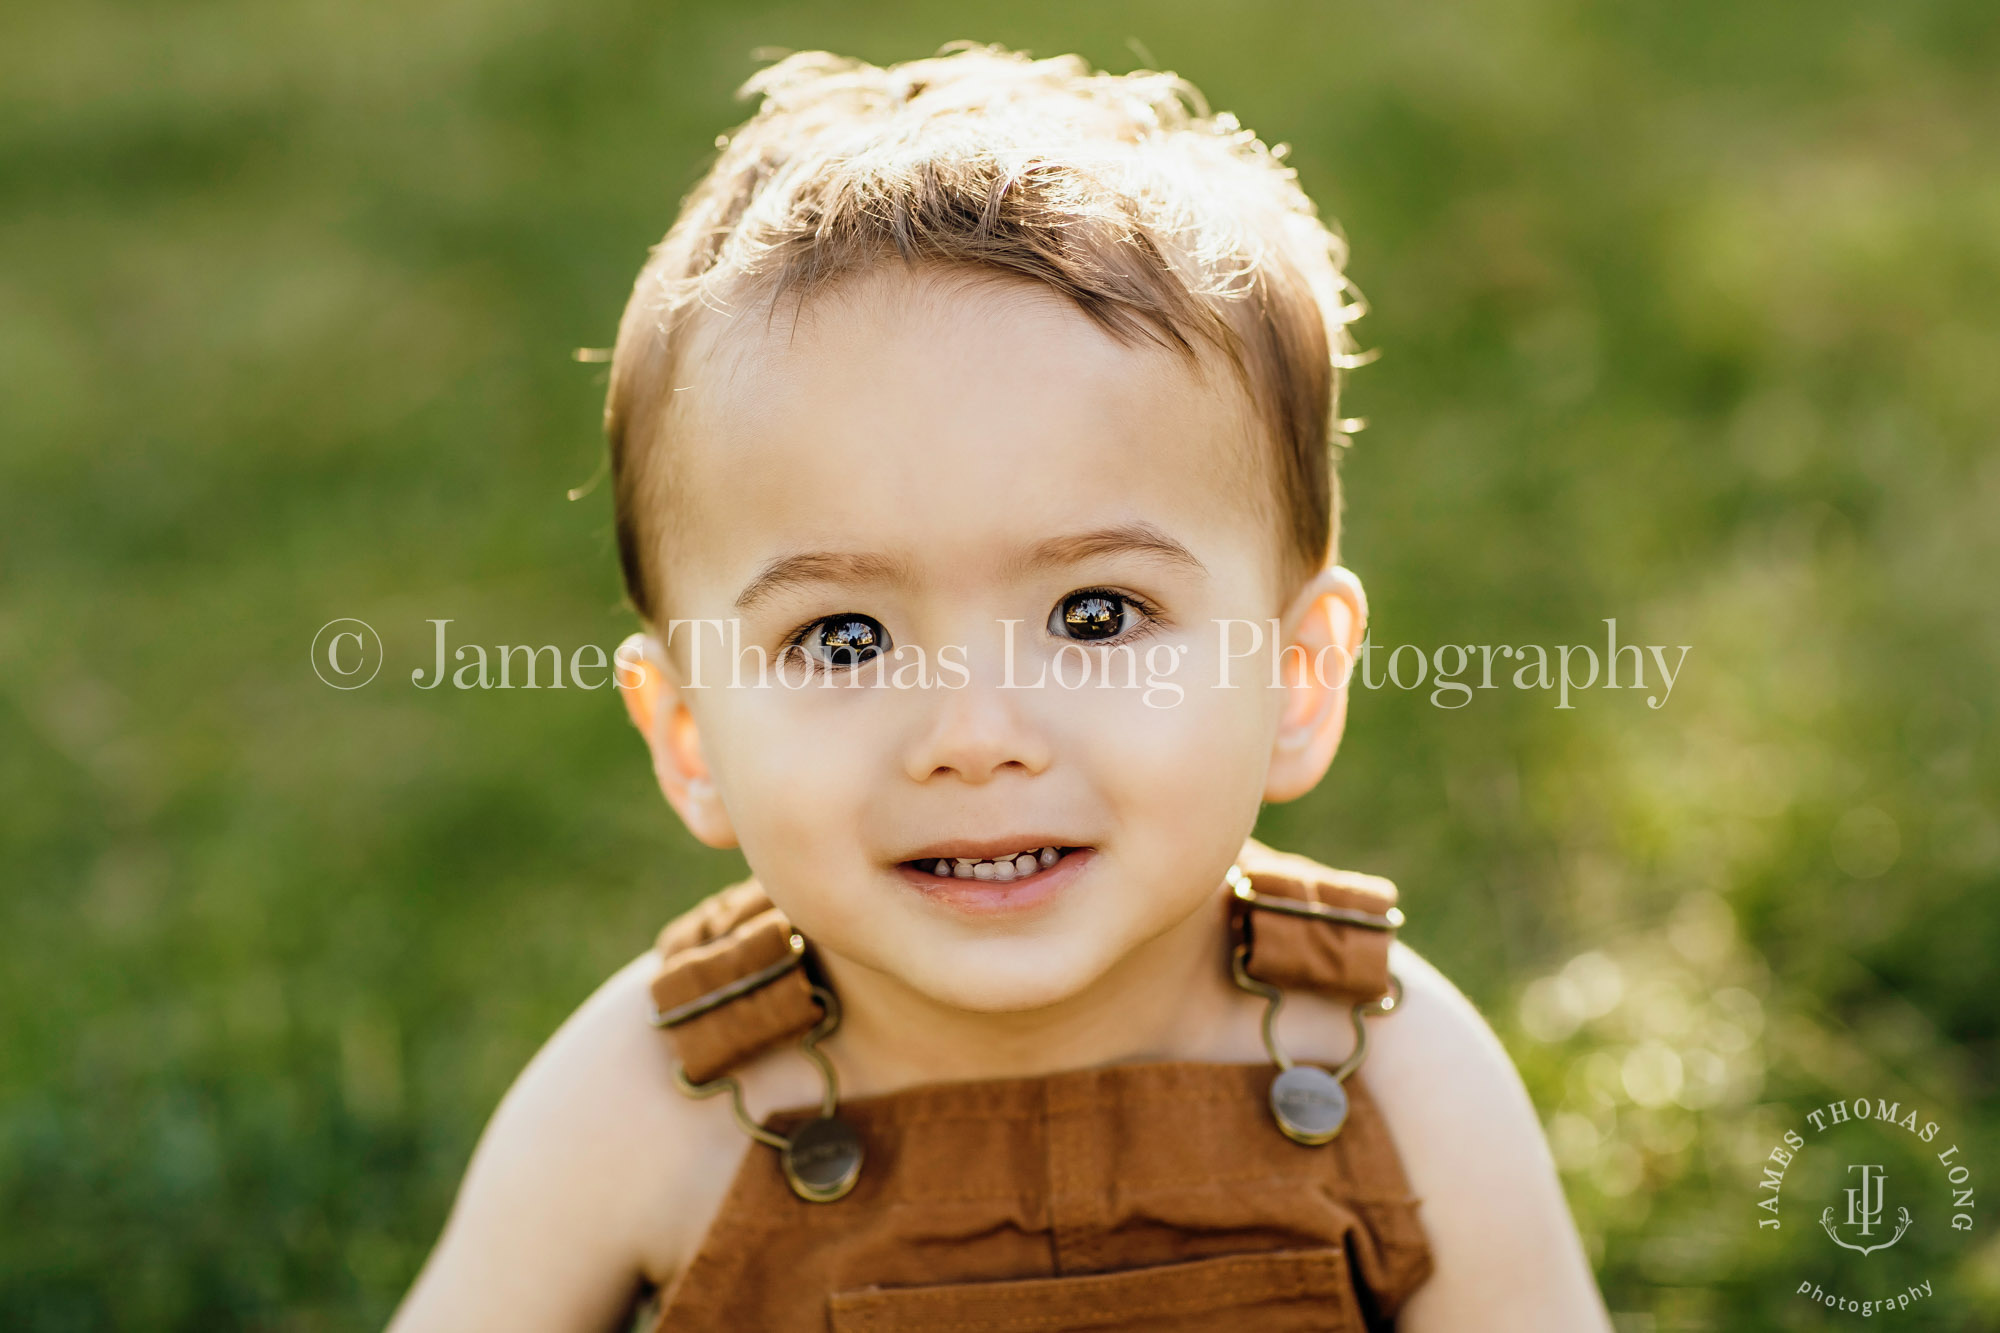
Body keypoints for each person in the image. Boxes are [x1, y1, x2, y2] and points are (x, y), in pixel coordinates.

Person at [389, 42, 1610, 1332]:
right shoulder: (645, 1104)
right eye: (845, 638)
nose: (973, 737)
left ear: (1296, 679)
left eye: (1095, 615)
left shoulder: (1388, 1072)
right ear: (688, 735)